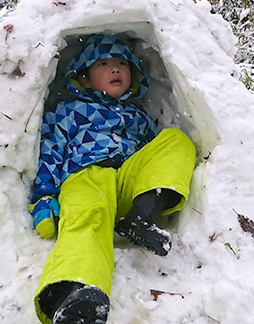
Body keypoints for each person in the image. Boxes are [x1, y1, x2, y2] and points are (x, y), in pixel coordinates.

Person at [29, 34, 196, 324]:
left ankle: (141, 216)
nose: (116, 69)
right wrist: (44, 197)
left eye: (123, 63)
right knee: (87, 222)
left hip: (127, 182)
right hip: (86, 178)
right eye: (103, 63)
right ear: (85, 79)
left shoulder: (139, 117)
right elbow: (51, 153)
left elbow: (154, 160)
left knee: (175, 141)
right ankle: (71, 294)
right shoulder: (68, 112)